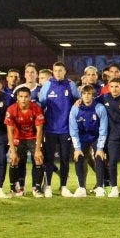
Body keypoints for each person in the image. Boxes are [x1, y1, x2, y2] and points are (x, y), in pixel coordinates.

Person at [37, 62, 80, 197]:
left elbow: (78, 101)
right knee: (49, 159)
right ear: (53, 72)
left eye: (60, 70)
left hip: (66, 129)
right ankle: (48, 186)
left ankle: (64, 187)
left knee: (65, 159)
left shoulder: (71, 85)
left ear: (65, 71)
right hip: (50, 128)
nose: (58, 73)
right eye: (55, 70)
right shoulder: (47, 85)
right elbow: (41, 104)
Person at [5, 86, 45, 197]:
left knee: (38, 158)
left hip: (32, 137)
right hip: (18, 138)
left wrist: (37, 150)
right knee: (14, 160)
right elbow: (9, 132)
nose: (23, 99)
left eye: (26, 97)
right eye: (21, 96)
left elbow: (39, 130)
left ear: (30, 97)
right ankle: (14, 189)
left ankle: (37, 189)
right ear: (17, 97)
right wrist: (12, 151)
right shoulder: (11, 109)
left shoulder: (36, 108)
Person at [69, 84, 108, 198]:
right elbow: (73, 129)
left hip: (96, 137)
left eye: (89, 94)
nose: (86, 96)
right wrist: (77, 148)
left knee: (99, 157)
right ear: (81, 96)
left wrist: (100, 148)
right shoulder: (75, 108)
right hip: (81, 138)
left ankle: (100, 187)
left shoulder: (99, 108)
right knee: (79, 157)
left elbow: (103, 129)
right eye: (84, 94)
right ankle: (81, 188)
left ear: (93, 95)